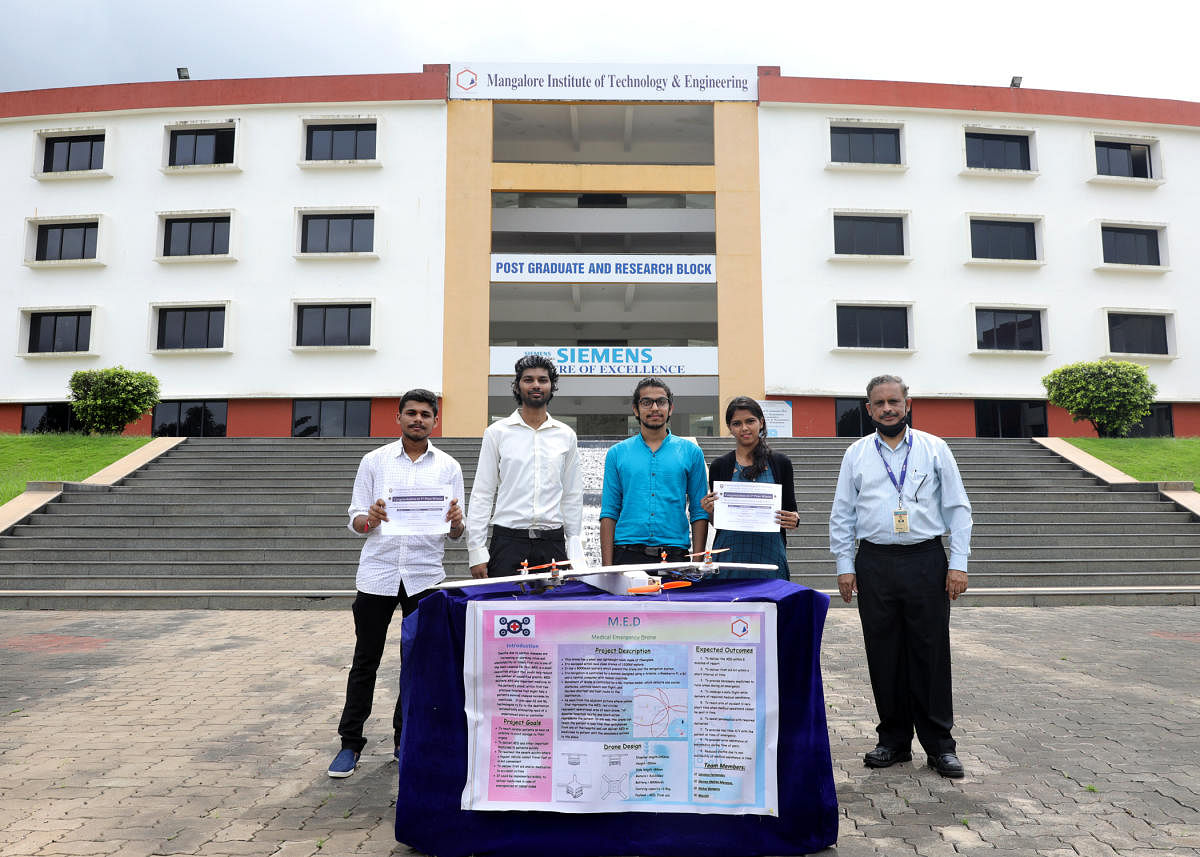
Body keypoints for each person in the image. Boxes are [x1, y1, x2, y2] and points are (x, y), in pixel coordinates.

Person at [829, 374, 972, 779]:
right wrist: (845, 565)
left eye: (894, 401)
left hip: (926, 560)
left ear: (907, 404)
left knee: (930, 653)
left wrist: (957, 563)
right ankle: (893, 740)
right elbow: (843, 513)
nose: (888, 408)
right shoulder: (856, 454)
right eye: (879, 403)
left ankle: (940, 746)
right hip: (874, 562)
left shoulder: (934, 448)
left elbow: (958, 508)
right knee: (884, 652)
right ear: (868, 409)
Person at [328, 389, 465, 778]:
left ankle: (406, 741)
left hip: (425, 576)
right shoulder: (374, 462)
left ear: (435, 421)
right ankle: (350, 744)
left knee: (416, 665)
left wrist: (456, 521)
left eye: (425, 414)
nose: (418, 419)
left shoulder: (449, 467)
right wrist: (370, 517)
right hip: (378, 574)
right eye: (411, 413)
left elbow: (457, 531)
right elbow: (356, 522)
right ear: (398, 417)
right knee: (365, 662)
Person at [467, 354, 583, 578]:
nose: (536, 385)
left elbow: (572, 495)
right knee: (503, 609)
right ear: (517, 386)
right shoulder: (497, 433)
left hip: (553, 543)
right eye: (528, 379)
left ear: (552, 386)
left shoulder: (566, 435)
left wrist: (575, 548)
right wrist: (476, 551)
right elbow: (483, 492)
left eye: (543, 379)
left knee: (552, 611)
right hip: (508, 542)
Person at [600, 377, 709, 567]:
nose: (655, 408)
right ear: (635, 409)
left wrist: (697, 563)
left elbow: (699, 511)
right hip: (627, 555)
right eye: (646, 403)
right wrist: (607, 569)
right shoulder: (617, 454)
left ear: (670, 408)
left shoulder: (691, 452)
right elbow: (609, 511)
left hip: (675, 555)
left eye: (661, 402)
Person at [700, 396, 798, 579]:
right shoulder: (720, 466)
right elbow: (718, 521)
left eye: (750, 421)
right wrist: (709, 510)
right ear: (730, 428)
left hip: (770, 556)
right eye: (737, 423)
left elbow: (792, 512)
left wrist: (794, 519)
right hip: (729, 557)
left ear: (761, 422)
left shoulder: (781, 463)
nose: (744, 428)